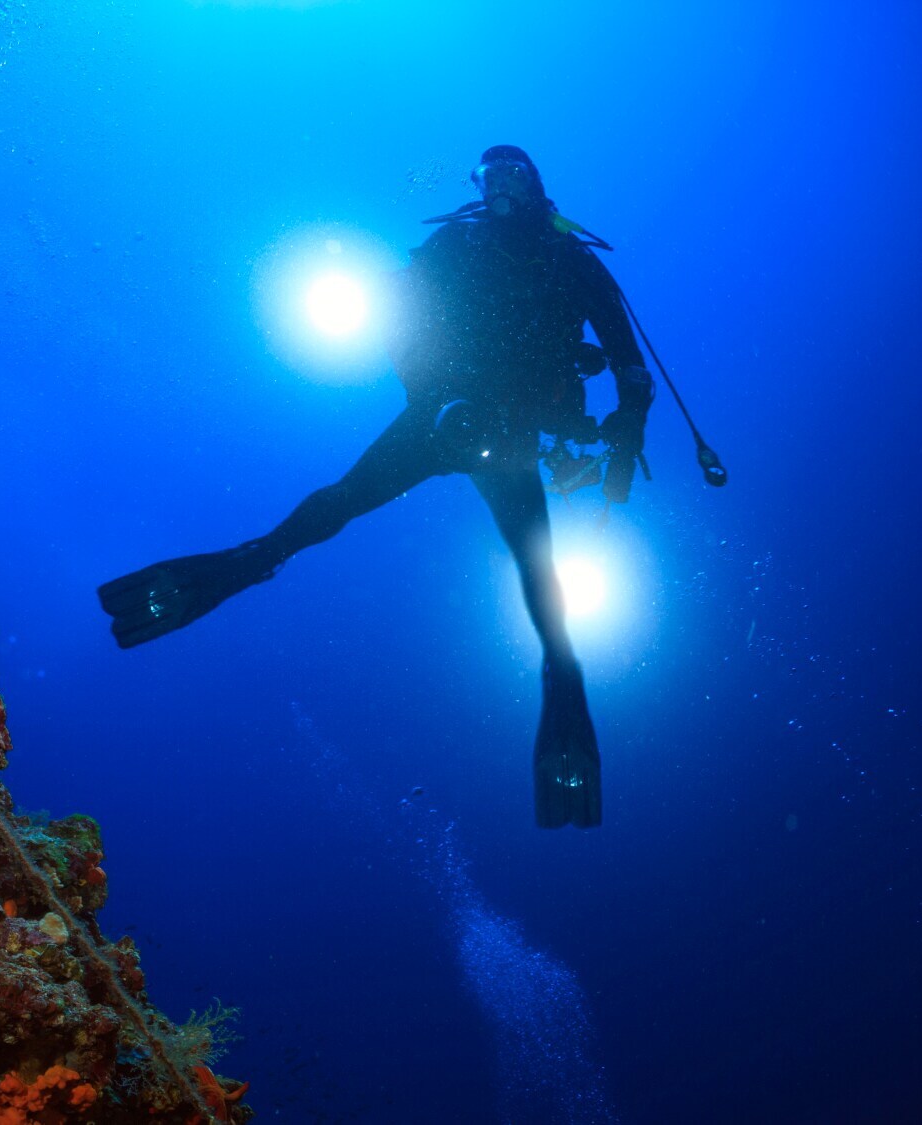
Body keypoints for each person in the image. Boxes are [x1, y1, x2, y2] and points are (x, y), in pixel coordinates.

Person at [97, 146, 653, 829]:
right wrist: (433, 393)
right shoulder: (460, 242)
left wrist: (627, 434)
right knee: (341, 500)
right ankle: (243, 564)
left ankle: (564, 685)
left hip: (512, 437)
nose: (501, 187)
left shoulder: (575, 261)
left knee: (539, 568)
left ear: (537, 185)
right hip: (447, 414)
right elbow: (397, 312)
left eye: (513, 175)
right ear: (479, 187)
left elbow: (633, 368)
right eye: (488, 177)